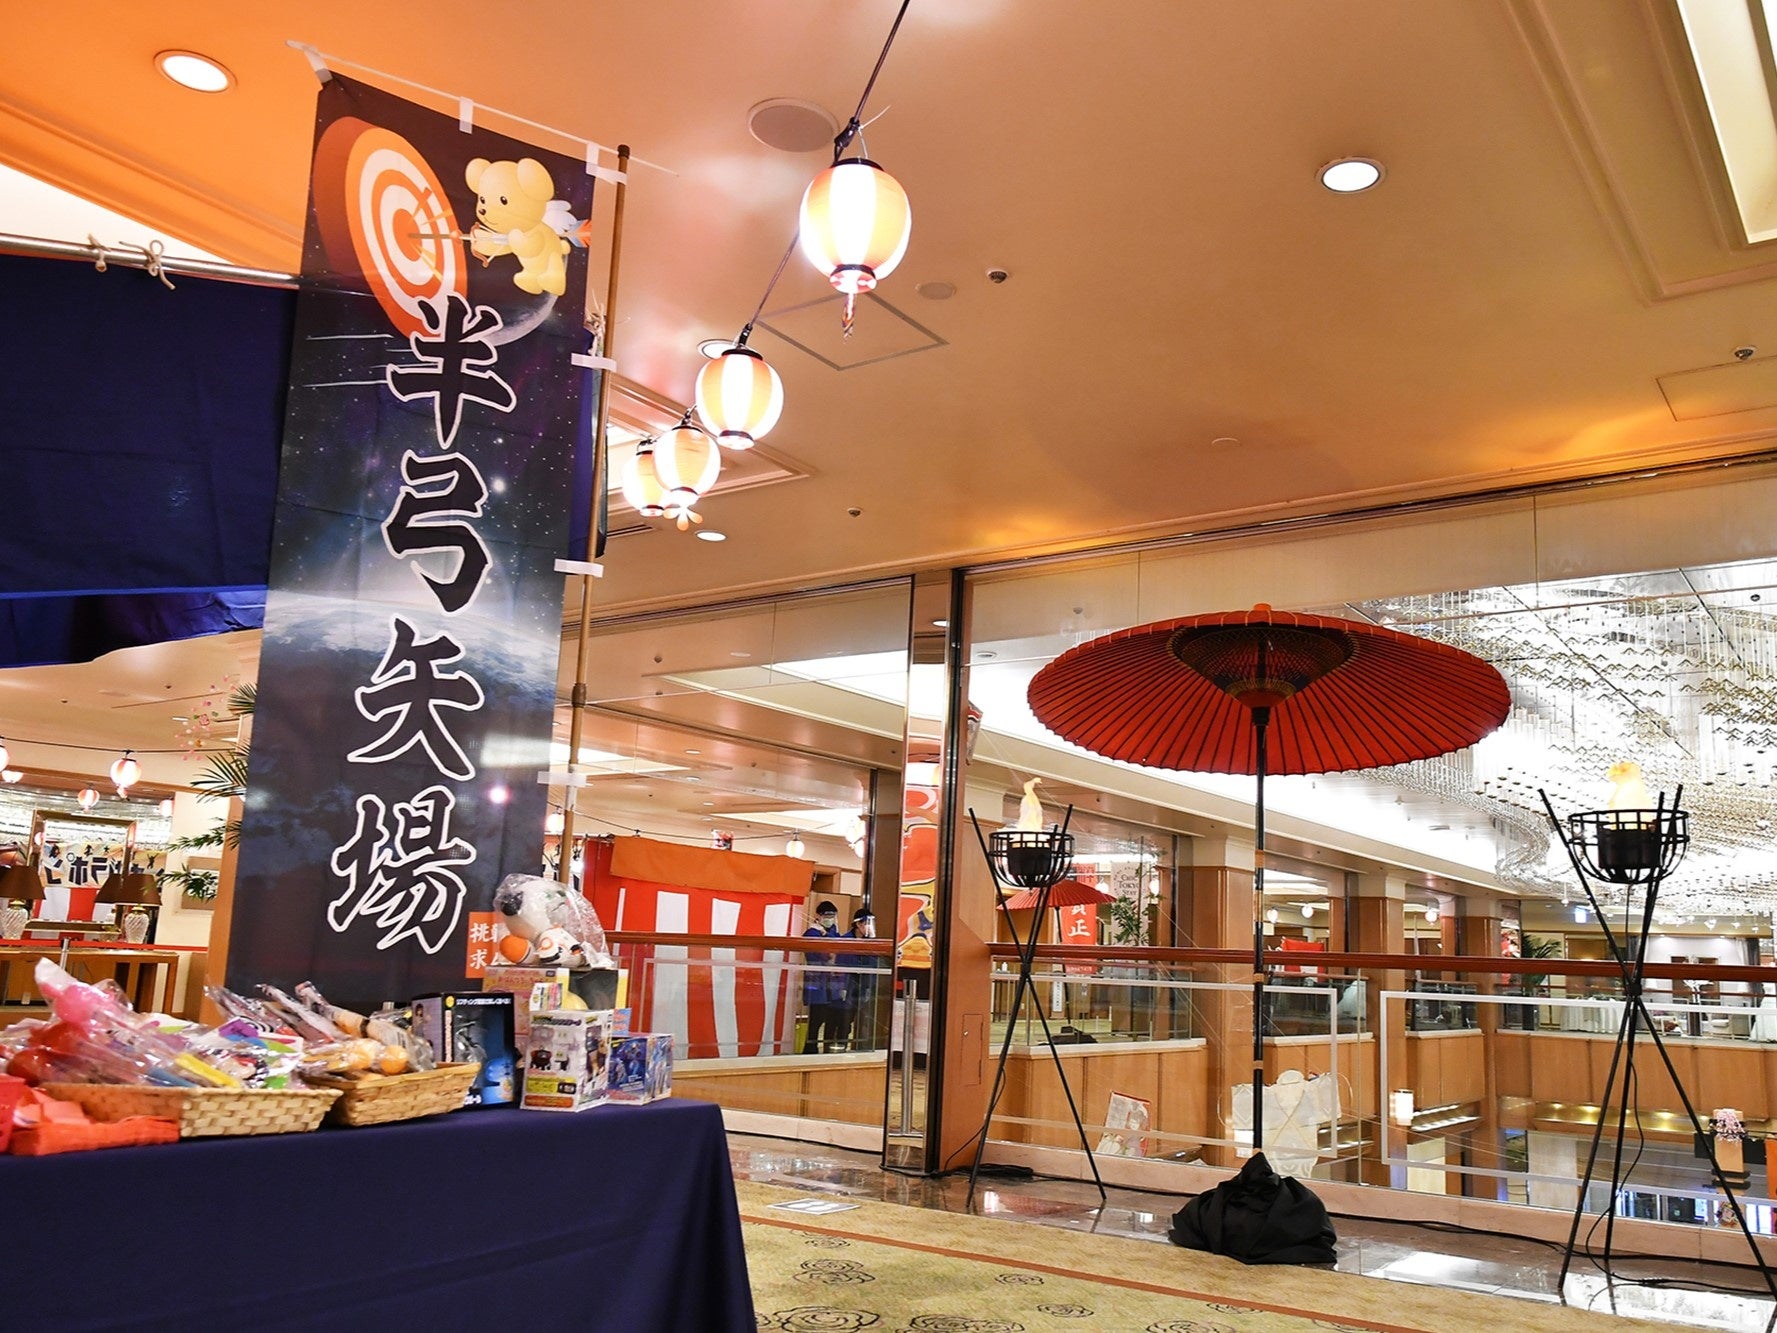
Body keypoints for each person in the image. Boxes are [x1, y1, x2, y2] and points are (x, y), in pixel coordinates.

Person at [801, 900, 848, 1054]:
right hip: (817, 983)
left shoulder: (833, 931)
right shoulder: (811, 933)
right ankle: (810, 1051)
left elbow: (839, 951)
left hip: (833, 984)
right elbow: (825, 954)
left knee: (832, 1019)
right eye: (827, 916)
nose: (830, 919)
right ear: (819, 916)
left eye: (833, 916)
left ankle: (828, 1051)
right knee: (816, 1020)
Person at [840, 908, 877, 1052]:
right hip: (849, 984)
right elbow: (841, 964)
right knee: (844, 1020)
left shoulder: (872, 942)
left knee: (863, 1020)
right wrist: (842, 987)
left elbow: (873, 964)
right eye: (866, 923)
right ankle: (840, 1048)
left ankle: (861, 1050)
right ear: (858, 924)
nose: (868, 927)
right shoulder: (845, 940)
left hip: (864, 985)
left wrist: (869, 986)